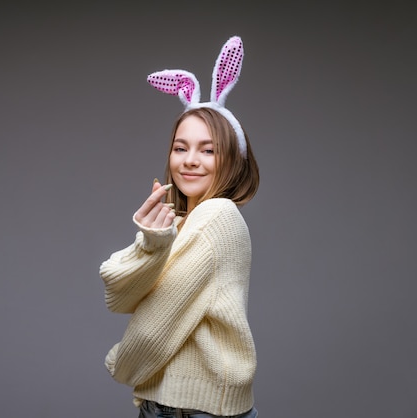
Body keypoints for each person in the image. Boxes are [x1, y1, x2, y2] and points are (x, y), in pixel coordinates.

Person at [99, 36, 260, 418]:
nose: (190, 161)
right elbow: (117, 292)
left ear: (233, 159)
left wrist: (120, 365)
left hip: (192, 410)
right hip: (184, 407)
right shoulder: (183, 222)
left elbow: (156, 321)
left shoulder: (215, 217)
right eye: (180, 147)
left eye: (208, 149)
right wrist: (153, 243)